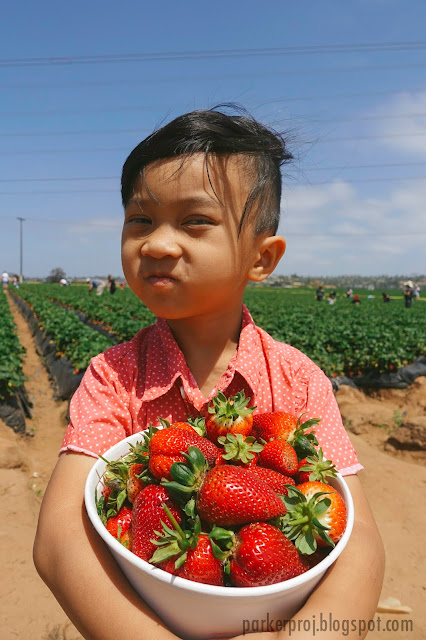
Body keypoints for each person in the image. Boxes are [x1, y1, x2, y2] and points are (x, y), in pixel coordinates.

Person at [33, 107, 385, 640]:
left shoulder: (298, 381)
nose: (156, 244)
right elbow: (60, 541)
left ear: (262, 259)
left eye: (195, 221)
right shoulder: (114, 376)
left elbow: (358, 544)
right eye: (140, 220)